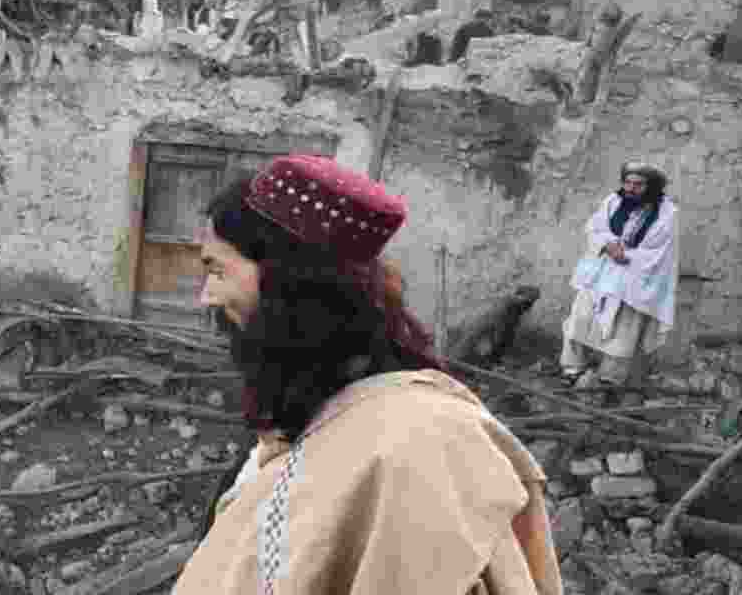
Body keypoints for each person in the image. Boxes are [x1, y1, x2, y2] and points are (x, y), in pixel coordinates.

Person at [179, 154, 562, 595]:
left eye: (217, 269)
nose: (207, 297)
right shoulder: (311, 412)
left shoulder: (417, 452)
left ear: (288, 283)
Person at [559, 162, 678, 405]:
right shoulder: (613, 201)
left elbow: (660, 249)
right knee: (581, 319)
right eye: (627, 183)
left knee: (623, 331)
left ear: (651, 187)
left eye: (638, 185)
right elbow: (595, 227)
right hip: (602, 272)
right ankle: (572, 370)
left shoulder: (668, 213)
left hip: (635, 279)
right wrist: (608, 244)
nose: (631, 189)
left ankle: (609, 381)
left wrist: (627, 255)